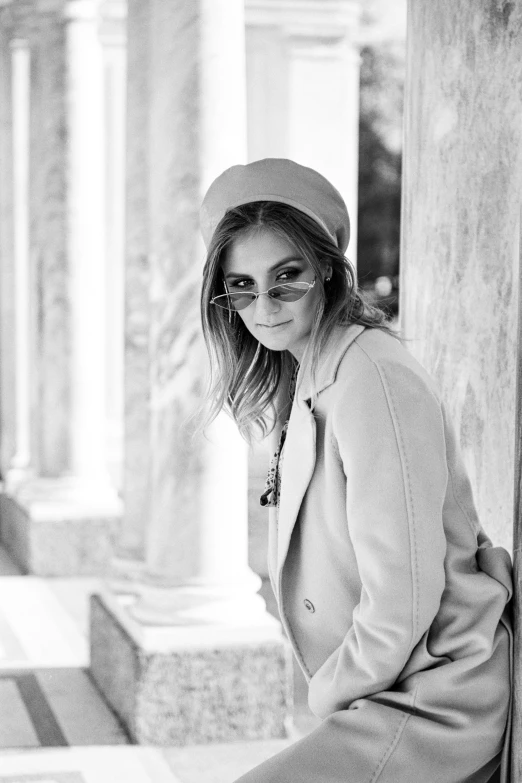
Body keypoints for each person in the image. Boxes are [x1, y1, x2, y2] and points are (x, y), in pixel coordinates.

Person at [197, 158, 513, 783]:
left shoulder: (371, 375)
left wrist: (330, 696)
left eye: (287, 277)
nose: (264, 306)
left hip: (435, 696)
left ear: (328, 272)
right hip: (389, 686)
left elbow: (404, 595)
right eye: (241, 286)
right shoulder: (313, 369)